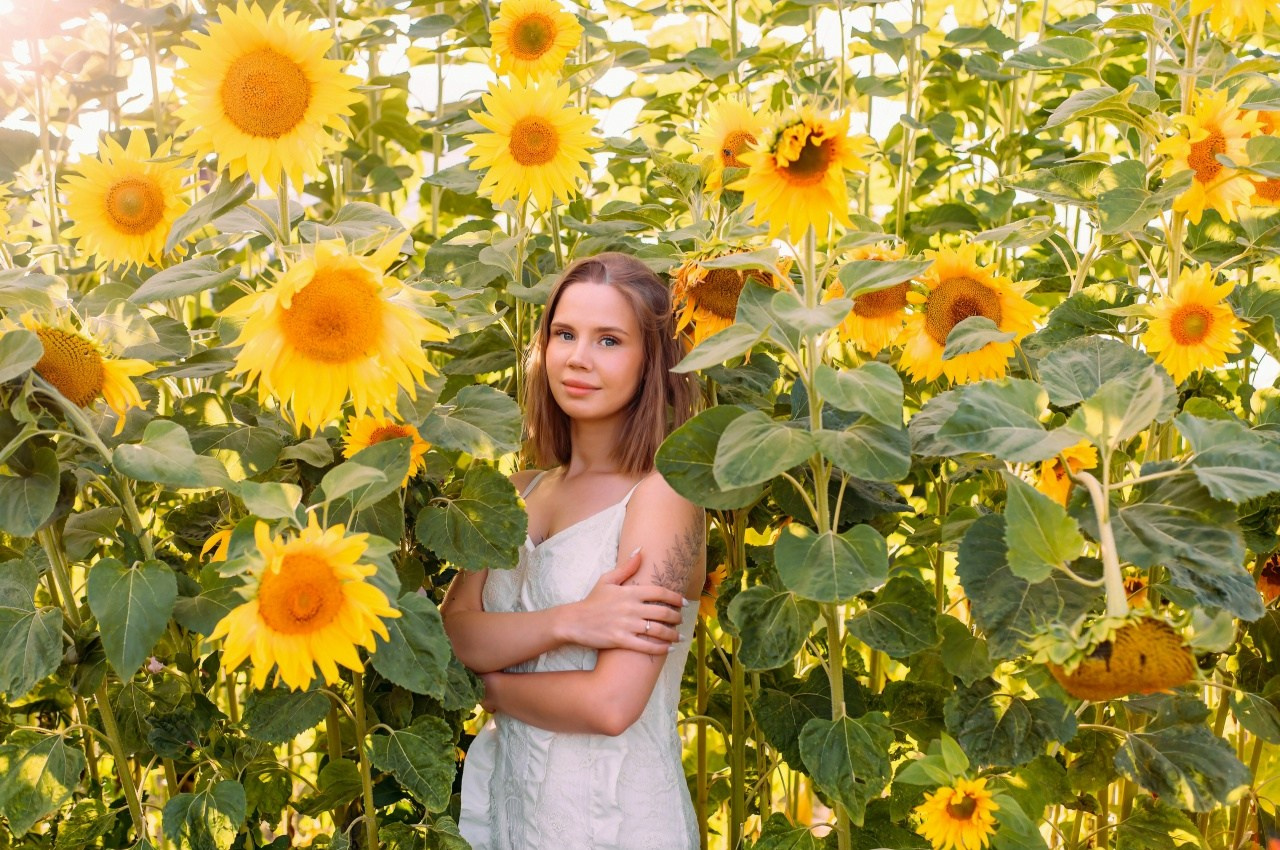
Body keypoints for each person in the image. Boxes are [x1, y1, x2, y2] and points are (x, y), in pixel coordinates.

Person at [441, 252, 706, 850]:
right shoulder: (517, 491)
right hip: (512, 815)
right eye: (565, 334)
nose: (578, 358)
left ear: (653, 360)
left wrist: (489, 688)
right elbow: (454, 635)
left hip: (616, 822)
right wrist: (573, 620)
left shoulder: (665, 496)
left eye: (609, 340)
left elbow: (611, 703)